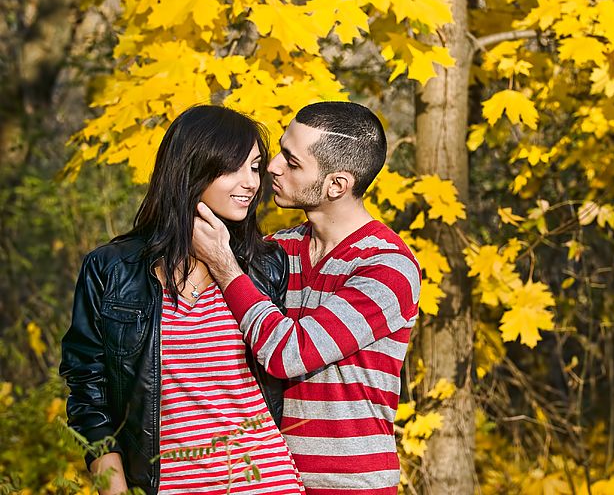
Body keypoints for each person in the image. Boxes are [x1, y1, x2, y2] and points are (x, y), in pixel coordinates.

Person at [60, 106, 305, 495]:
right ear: (192, 168)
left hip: (266, 480)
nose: (250, 183)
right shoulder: (111, 270)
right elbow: (89, 390)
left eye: (255, 167)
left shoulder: (266, 265)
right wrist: (114, 488)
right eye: (233, 169)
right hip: (168, 485)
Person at [192, 101, 421, 495]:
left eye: (292, 162)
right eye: (279, 151)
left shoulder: (388, 266)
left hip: (348, 484)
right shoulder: (277, 250)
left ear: (337, 185)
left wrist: (226, 267)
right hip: (263, 478)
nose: (273, 166)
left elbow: (290, 354)